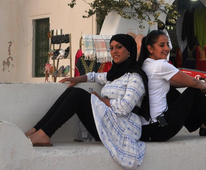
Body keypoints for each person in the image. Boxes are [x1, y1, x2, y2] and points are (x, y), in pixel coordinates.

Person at [25, 34, 149, 170]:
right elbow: (94, 75)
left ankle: (44, 134)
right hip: (108, 122)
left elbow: (124, 108)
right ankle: (37, 130)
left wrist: (100, 100)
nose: (114, 51)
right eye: (112, 48)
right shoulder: (115, 74)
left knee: (78, 95)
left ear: (129, 50)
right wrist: (78, 79)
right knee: (73, 91)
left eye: (119, 47)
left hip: (123, 128)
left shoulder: (135, 77)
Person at [138, 30, 206, 141]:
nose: (167, 49)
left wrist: (199, 85)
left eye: (167, 44)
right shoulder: (160, 65)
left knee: (171, 91)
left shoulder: (145, 64)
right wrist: (204, 86)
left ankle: (203, 126)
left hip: (147, 130)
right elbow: (194, 82)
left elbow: (173, 83)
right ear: (150, 49)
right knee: (194, 92)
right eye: (161, 45)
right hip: (160, 129)